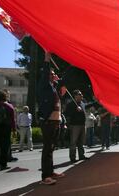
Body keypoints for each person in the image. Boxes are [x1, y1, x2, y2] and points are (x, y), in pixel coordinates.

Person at [37, 52, 66, 185]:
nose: (56, 76)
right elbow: (45, 73)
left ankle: (50, 172)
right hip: (48, 121)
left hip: (55, 121)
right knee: (48, 148)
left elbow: (56, 105)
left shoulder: (53, 89)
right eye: (53, 74)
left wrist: (61, 94)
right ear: (48, 76)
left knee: (51, 147)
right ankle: (45, 176)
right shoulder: (45, 85)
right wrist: (47, 59)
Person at [65, 90, 89, 163]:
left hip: (82, 124)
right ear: (75, 96)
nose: (82, 95)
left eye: (81, 94)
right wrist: (75, 110)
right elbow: (67, 114)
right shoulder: (70, 104)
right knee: (73, 142)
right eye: (80, 94)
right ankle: (72, 157)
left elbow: (88, 105)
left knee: (81, 142)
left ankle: (81, 155)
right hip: (74, 125)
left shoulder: (82, 103)